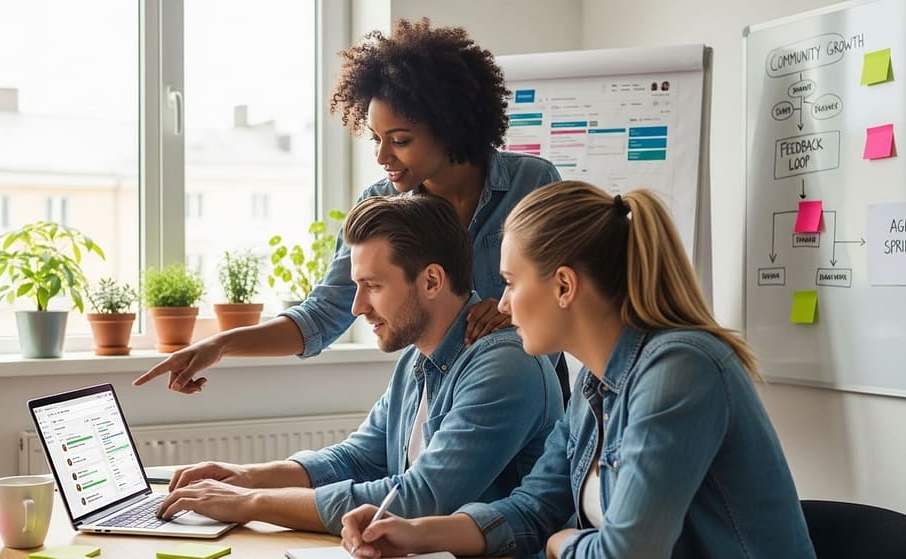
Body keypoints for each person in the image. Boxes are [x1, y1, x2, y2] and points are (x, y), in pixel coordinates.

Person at [340, 182, 816, 558]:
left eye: (509, 282)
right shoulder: (595, 382)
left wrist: (561, 543)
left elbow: (628, 552)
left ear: (564, 286)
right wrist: (415, 534)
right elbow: (533, 508)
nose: (501, 303)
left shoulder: (679, 371)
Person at [132, 18, 566, 399]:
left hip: (528, 401)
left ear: (450, 128)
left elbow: (572, 294)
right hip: (442, 402)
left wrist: (511, 308)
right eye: (376, 139)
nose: (383, 157)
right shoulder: (381, 207)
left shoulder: (532, 183)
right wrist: (219, 345)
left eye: (400, 140)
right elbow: (323, 315)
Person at [154, 194, 563, 535]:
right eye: (357, 286)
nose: (357, 306)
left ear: (432, 281)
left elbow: (419, 500)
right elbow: (358, 458)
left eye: (373, 286)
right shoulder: (417, 358)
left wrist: (251, 503)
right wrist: (246, 476)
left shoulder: (503, 365)